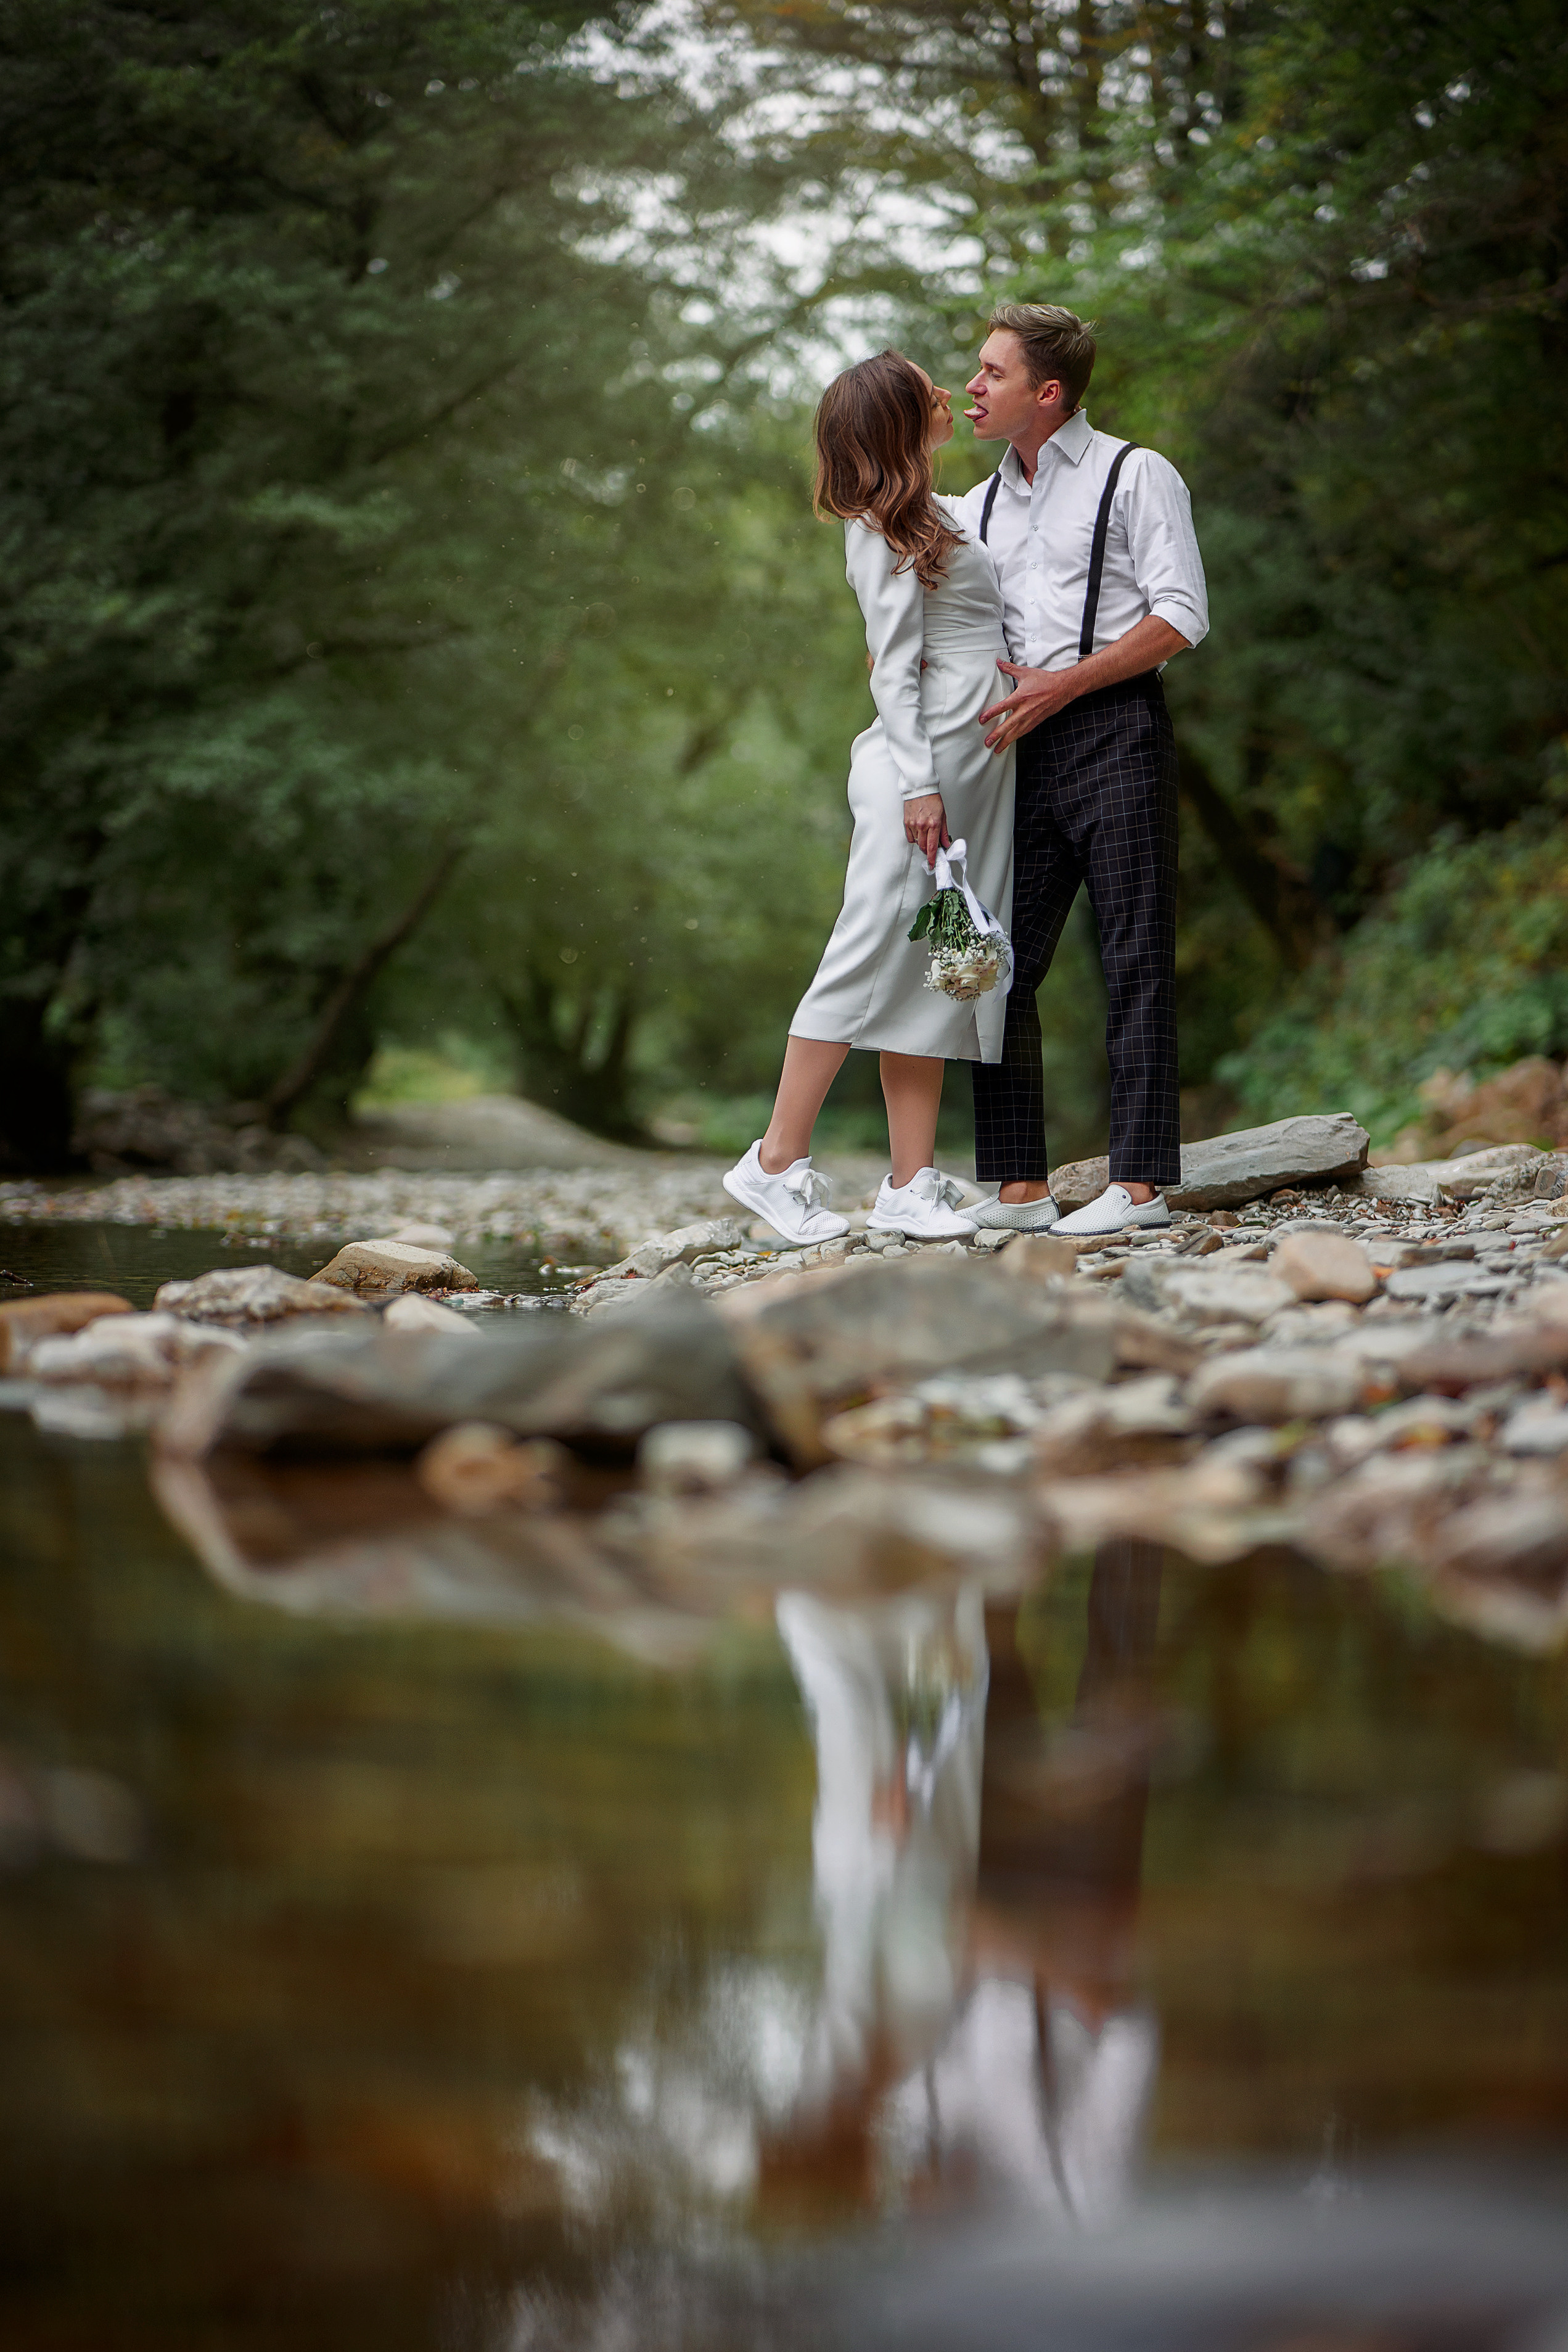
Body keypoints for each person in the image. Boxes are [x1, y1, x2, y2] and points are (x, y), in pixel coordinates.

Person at [723, 350, 1016, 1247]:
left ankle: (909, 1182)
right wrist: (921, 788)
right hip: (917, 778)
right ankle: (774, 1160)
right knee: (861, 957)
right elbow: (890, 669)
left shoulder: (939, 514)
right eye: (927, 388)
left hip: (975, 771)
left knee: (941, 975)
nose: (944, 394)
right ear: (898, 418)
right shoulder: (878, 528)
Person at [953, 303, 1209, 1238]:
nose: (971, 387)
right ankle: (1018, 1187)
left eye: (990, 373)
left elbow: (1182, 615)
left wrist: (1066, 685)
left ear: (1046, 392)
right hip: (1013, 753)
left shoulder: (1135, 474)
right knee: (986, 960)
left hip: (1117, 731)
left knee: (1135, 956)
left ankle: (1140, 1185)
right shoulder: (972, 506)